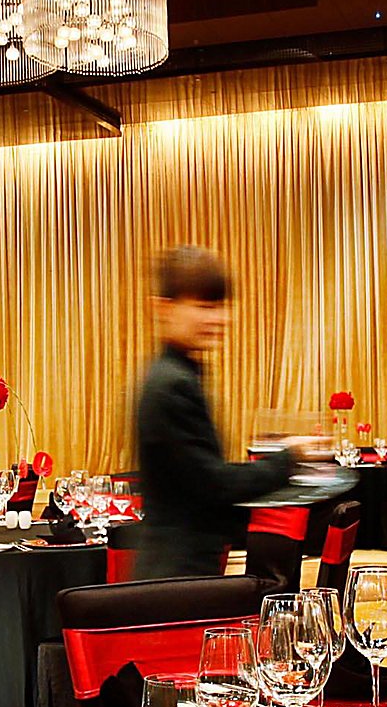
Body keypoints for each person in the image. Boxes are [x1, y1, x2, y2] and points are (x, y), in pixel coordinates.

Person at [133, 247, 321, 580]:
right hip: (177, 573)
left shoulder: (177, 374)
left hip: (180, 567)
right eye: (204, 307)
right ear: (164, 308)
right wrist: (289, 458)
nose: (219, 319)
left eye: (220, 307)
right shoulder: (171, 384)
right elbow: (214, 484)